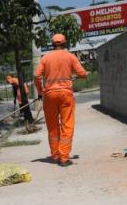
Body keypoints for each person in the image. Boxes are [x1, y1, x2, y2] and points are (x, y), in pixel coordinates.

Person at [33, 33, 88, 167]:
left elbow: (36, 75)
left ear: (52, 44)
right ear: (65, 43)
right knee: (67, 125)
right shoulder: (70, 56)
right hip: (65, 94)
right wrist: (84, 75)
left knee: (52, 126)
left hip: (49, 95)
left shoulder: (45, 58)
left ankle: (56, 155)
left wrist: (41, 91)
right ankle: (64, 157)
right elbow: (82, 73)